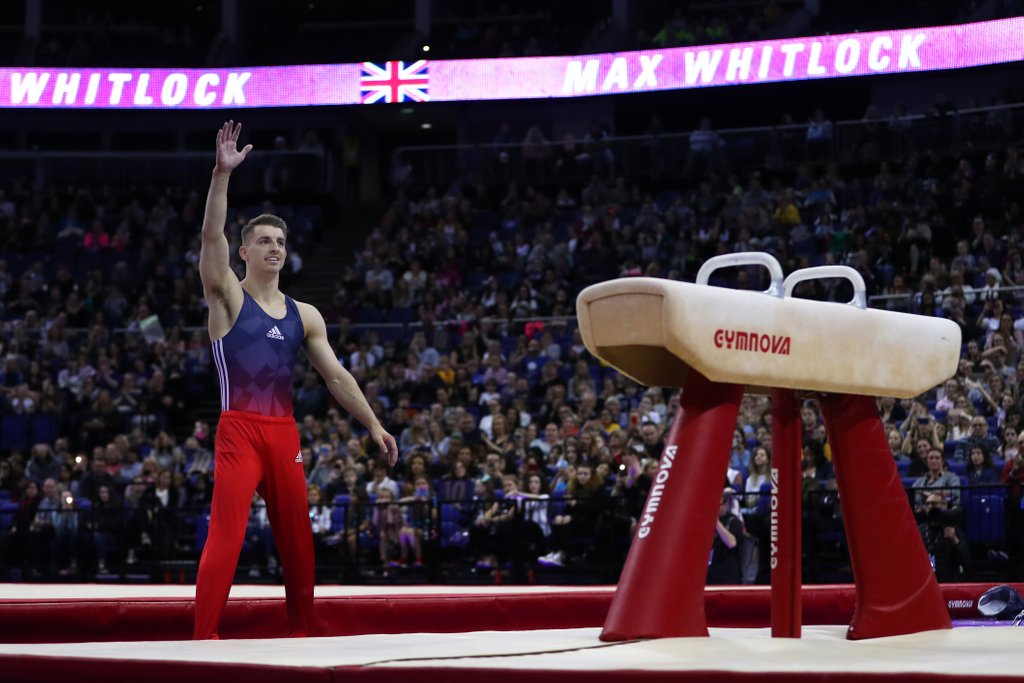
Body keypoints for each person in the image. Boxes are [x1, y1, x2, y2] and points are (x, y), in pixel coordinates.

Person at [193, 121, 398, 640]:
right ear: (245, 252)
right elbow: (211, 235)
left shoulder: (305, 314)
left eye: (280, 241)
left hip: (284, 433)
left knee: (298, 541)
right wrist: (221, 175)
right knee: (228, 534)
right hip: (239, 428)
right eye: (263, 241)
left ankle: (303, 632)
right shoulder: (227, 298)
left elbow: (336, 376)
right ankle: (203, 636)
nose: (274, 248)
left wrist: (374, 425)